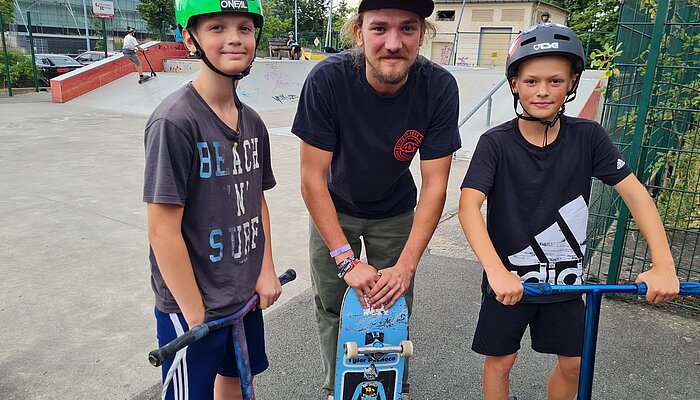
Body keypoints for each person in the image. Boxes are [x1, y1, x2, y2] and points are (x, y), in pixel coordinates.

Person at [458, 23, 680, 400]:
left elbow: (637, 195)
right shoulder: (495, 143)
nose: (542, 91)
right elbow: (468, 206)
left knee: (575, 363)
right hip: (509, 281)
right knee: (501, 361)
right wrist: (496, 272)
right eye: (531, 81)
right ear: (514, 84)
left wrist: (664, 264)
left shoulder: (588, 137)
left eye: (555, 81)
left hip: (566, 282)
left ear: (573, 82)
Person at [291, 0, 461, 398]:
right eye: (379, 28)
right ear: (359, 33)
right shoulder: (328, 80)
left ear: (422, 34)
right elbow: (312, 178)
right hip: (335, 207)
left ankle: (392, 385)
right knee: (335, 308)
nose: (393, 43)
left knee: (392, 307)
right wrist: (345, 260)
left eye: (407, 29)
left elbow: (436, 184)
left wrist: (406, 266)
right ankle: (339, 388)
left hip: (395, 211)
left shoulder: (438, 87)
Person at [144, 0, 281, 398]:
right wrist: (194, 314)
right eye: (217, 28)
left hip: (242, 291)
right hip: (194, 304)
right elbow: (162, 231)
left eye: (245, 27)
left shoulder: (253, 121)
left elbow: (256, 200)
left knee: (238, 376)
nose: (235, 38)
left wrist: (265, 269)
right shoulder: (175, 121)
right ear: (190, 38)